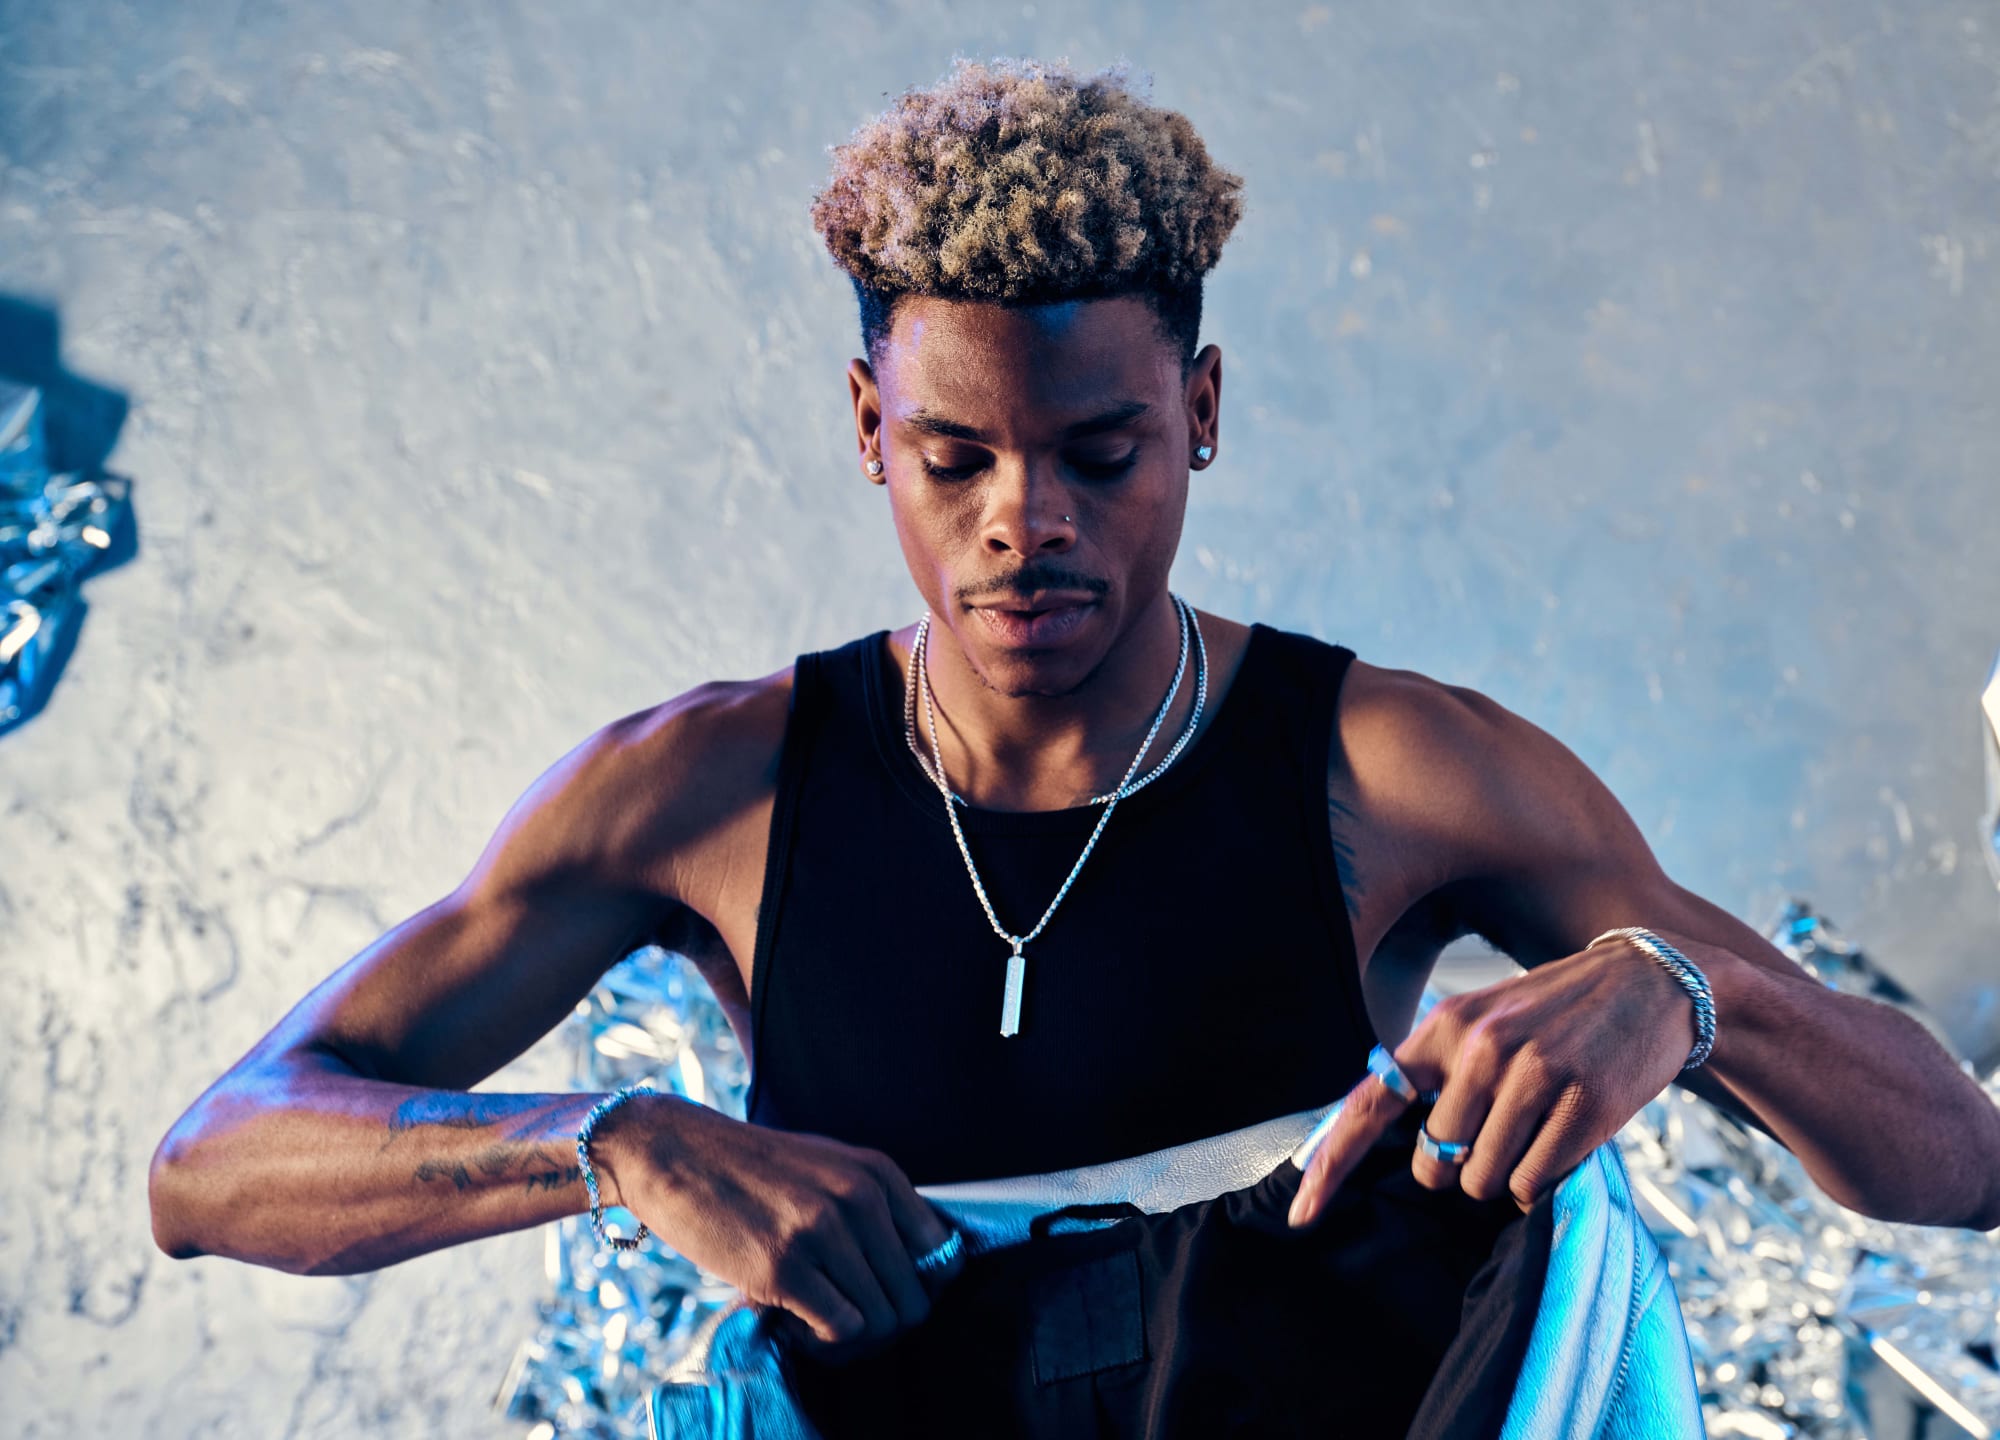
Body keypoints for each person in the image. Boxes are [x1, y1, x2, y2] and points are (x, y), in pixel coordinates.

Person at [149, 51, 2000, 1411]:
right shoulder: (704, 792)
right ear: (868, 430)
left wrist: (1689, 987)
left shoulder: (1395, 772)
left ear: (1200, 412)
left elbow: (1961, 1163)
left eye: (1099, 452)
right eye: (953, 459)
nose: (1023, 521)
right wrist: (616, 1142)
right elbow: (215, 1163)